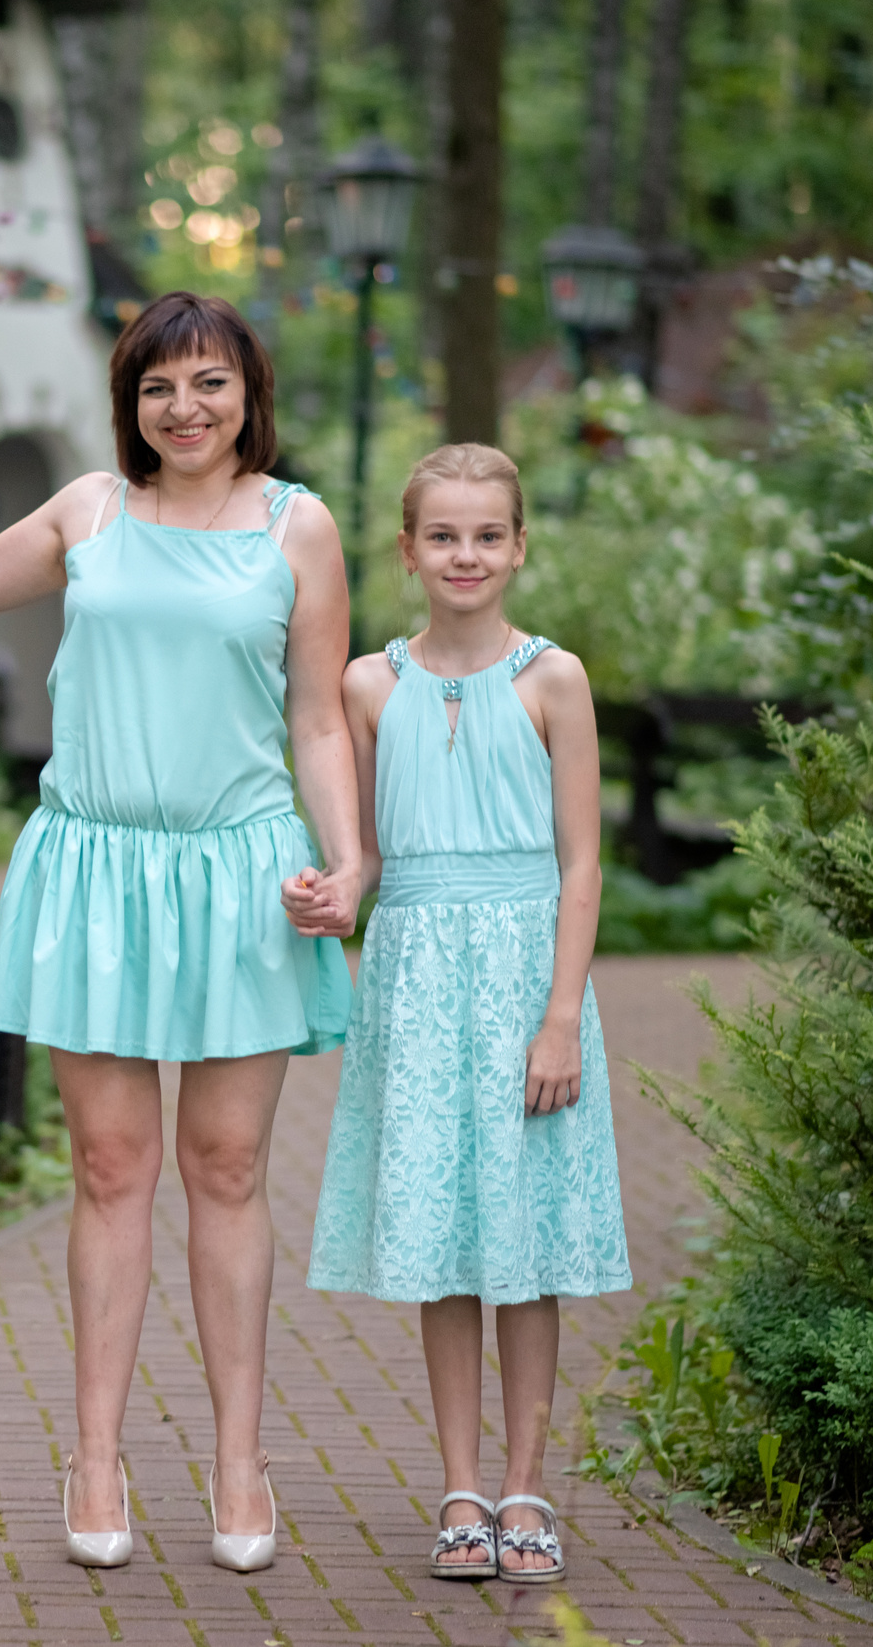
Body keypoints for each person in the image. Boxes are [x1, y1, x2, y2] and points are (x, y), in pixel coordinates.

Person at [0, 293, 357, 1576]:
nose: (185, 409)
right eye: (159, 389)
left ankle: (238, 1456)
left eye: (208, 383)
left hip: (241, 874)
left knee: (226, 1169)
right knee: (108, 1169)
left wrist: (350, 857)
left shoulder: (296, 525)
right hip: (97, 869)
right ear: (130, 403)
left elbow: (318, 717)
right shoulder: (92, 508)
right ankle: (94, 1457)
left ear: (248, 391)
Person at [296, 442, 632, 1585]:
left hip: (526, 980)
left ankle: (527, 1480)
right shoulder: (366, 685)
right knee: (441, 1239)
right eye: (443, 535)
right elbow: (370, 855)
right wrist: (332, 893)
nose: (466, 554)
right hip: (417, 986)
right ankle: (457, 1485)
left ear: (519, 544)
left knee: (524, 1246)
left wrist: (558, 1014)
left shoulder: (554, 680)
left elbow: (582, 866)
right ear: (407, 550)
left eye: (487, 534)